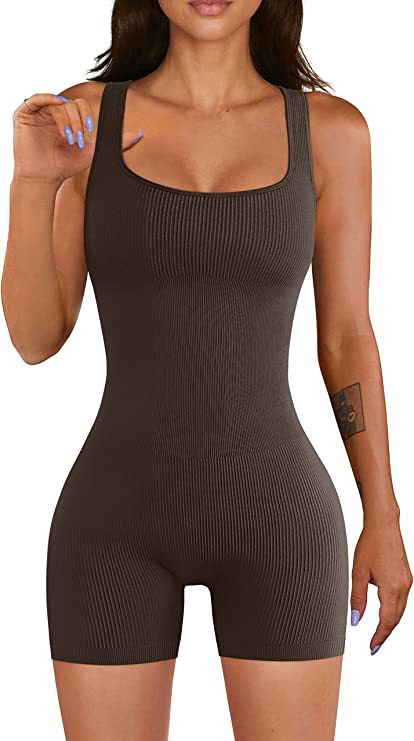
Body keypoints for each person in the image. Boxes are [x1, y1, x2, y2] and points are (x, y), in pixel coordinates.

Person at [2, 1, 412, 739]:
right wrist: (34, 184)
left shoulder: (331, 132)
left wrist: (382, 514)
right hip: (113, 520)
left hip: (279, 517)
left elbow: (348, 336)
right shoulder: (85, 119)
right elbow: (36, 338)